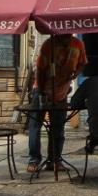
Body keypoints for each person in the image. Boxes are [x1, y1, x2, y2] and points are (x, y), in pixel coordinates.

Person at [27, 34, 87, 173]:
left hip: (62, 92)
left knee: (58, 128)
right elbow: (40, 70)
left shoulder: (78, 44)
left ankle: (55, 160)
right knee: (35, 125)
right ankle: (34, 160)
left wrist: (75, 74)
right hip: (42, 90)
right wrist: (42, 91)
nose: (65, 37)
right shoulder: (49, 45)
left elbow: (82, 63)